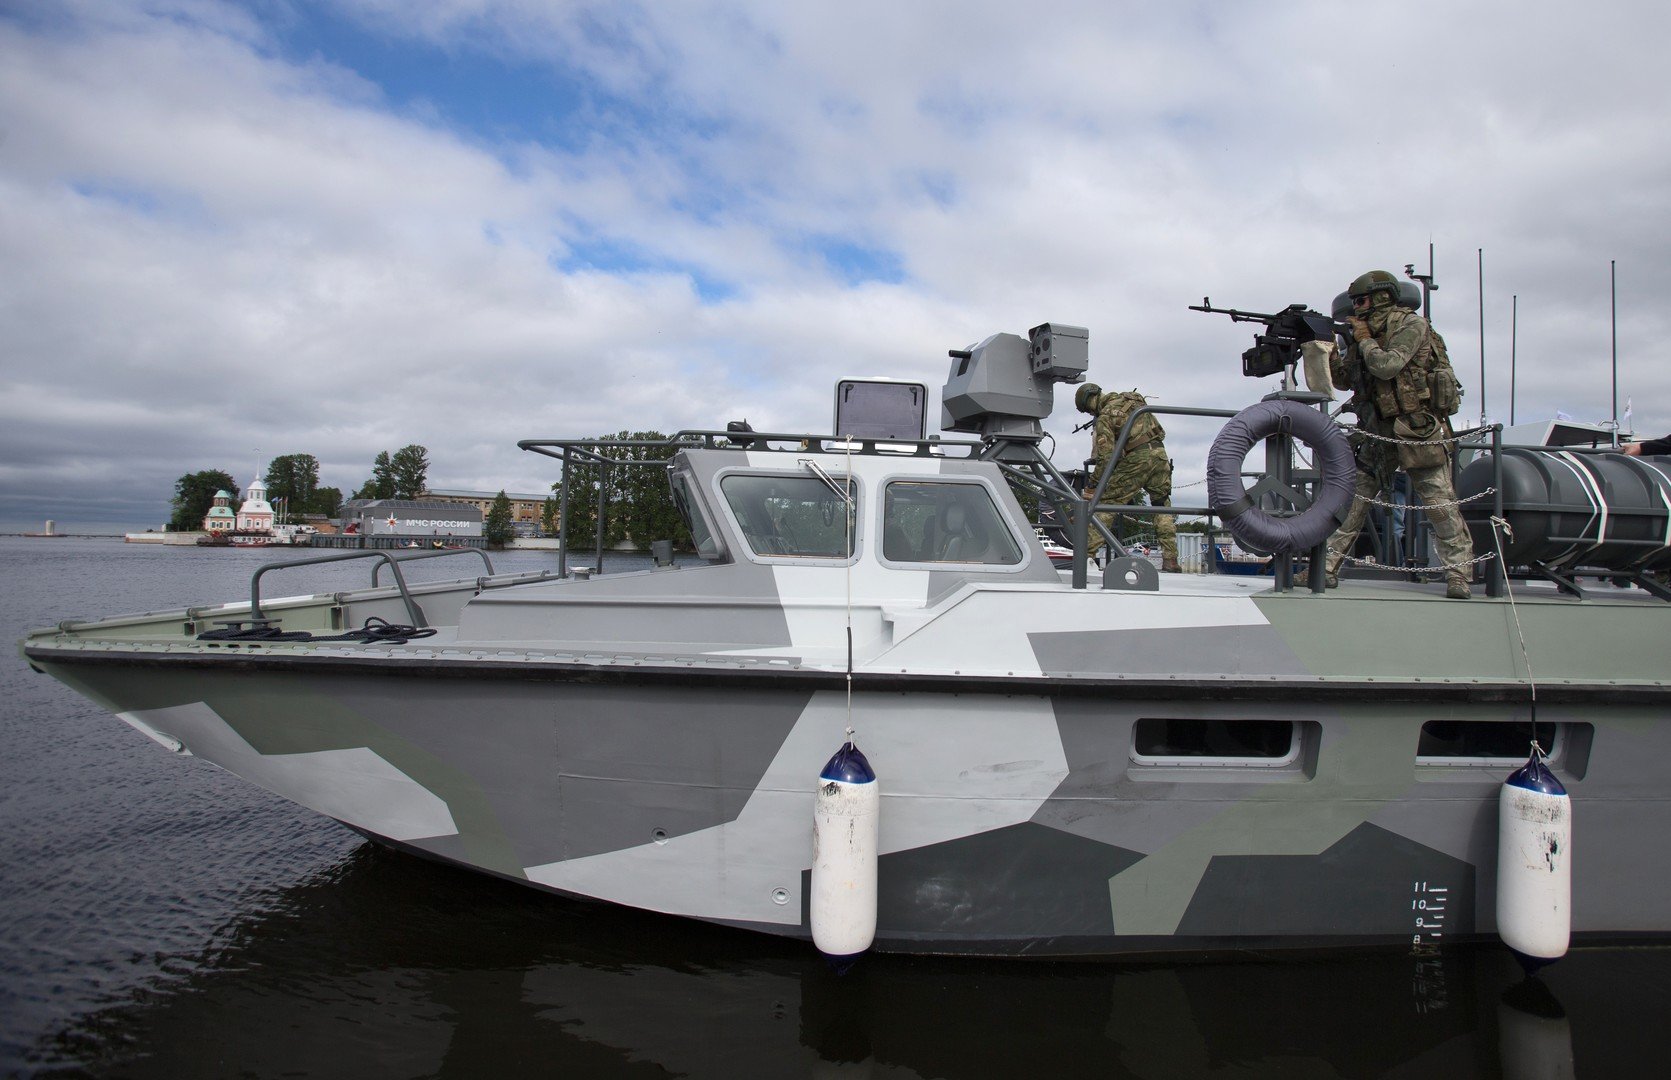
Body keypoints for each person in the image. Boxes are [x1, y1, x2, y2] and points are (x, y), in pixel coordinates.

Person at [1314, 269, 1475, 599]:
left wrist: (1362, 339)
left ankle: (1458, 573)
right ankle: (1326, 567)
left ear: (1381, 298)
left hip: (1417, 428)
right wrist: (1328, 348)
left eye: (1361, 301)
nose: (1355, 309)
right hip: (1377, 431)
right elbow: (1346, 380)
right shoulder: (1364, 334)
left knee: (1439, 504)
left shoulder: (1411, 325)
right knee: (1354, 501)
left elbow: (1387, 365)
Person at [1075, 383, 1179, 571]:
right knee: (1161, 506)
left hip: (1137, 459)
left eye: (1088, 410)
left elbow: (1105, 459)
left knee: (1106, 504)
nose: (1091, 414)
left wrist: (1093, 486)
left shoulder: (1106, 415)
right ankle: (1170, 560)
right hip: (1160, 455)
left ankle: (1084, 556)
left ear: (1089, 401)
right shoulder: (1134, 401)